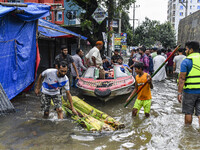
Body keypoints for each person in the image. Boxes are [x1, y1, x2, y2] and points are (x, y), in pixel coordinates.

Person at [177, 41, 200, 126]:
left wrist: (179, 92)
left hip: (190, 91)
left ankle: (187, 133)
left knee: (188, 112)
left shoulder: (186, 60)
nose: (185, 51)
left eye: (186, 49)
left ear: (191, 50)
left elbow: (182, 78)